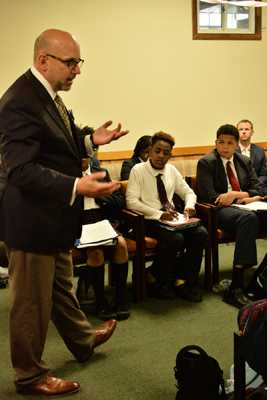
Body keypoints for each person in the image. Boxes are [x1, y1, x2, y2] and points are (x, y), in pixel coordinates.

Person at [0, 29, 129, 397]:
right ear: (45, 60)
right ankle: (29, 375)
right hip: (30, 220)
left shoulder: (46, 95)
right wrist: (77, 186)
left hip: (51, 216)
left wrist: (90, 140)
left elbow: (59, 140)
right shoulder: (19, 101)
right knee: (29, 305)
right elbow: (20, 170)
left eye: (78, 62)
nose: (77, 70)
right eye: (71, 63)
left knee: (60, 288)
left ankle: (83, 340)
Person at [126, 131, 207, 302]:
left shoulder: (171, 170)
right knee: (175, 239)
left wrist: (189, 206)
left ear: (171, 154)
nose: (160, 156)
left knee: (201, 234)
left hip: (172, 219)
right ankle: (156, 279)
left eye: (165, 152)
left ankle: (181, 281)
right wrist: (159, 214)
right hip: (148, 220)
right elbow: (131, 202)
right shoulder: (138, 170)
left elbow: (188, 192)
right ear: (150, 150)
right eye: (157, 151)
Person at [197, 124, 267, 309]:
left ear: (237, 144)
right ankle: (235, 286)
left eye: (229, 143)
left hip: (244, 205)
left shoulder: (244, 160)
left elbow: (257, 189)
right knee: (249, 220)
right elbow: (209, 197)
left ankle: (262, 277)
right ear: (215, 143)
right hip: (218, 212)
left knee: (256, 217)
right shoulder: (207, 162)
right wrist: (240, 196)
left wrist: (237, 195)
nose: (225, 146)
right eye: (221, 142)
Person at [76, 140, 130, 321]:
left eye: (87, 154)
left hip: (103, 220)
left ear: (92, 156)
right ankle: (100, 300)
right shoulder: (65, 176)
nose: (83, 158)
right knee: (96, 251)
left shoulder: (102, 174)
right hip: (79, 225)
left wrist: (99, 195)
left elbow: (119, 202)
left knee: (121, 244)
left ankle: (121, 298)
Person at [236, 119, 267, 195]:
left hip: (259, 187)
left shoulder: (260, 151)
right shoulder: (233, 151)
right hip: (239, 189)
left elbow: (264, 174)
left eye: (247, 129)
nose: (244, 132)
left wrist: (257, 185)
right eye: (241, 129)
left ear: (252, 132)